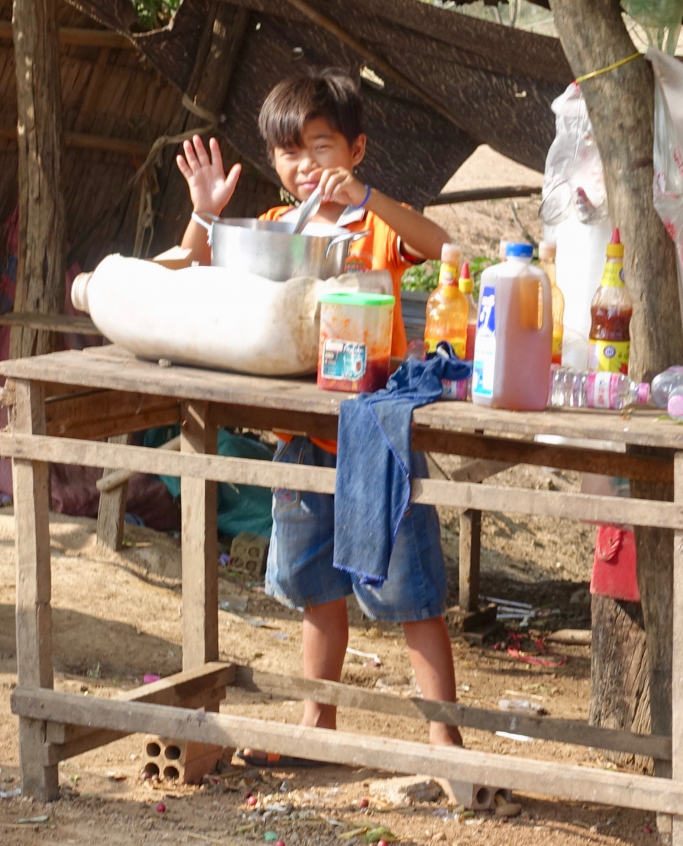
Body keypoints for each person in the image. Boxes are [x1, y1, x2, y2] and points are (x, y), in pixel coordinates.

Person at [176, 68, 462, 764]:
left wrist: (369, 199)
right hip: (301, 437)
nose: (305, 165)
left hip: (377, 437)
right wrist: (206, 214)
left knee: (411, 592)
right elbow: (187, 269)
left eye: (321, 146)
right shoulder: (274, 230)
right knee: (315, 589)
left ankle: (446, 737)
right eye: (288, 151)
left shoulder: (373, 228)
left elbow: (443, 246)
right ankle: (316, 724)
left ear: (356, 150)